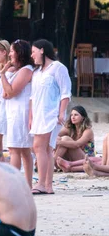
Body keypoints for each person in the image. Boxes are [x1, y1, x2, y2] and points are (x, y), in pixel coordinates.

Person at [30, 39, 71, 195]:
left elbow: (66, 92)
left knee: (39, 147)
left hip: (51, 113)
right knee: (46, 149)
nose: (32, 55)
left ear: (42, 50)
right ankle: (48, 185)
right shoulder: (37, 72)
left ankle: (40, 183)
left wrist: (61, 112)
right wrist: (31, 116)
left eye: (33, 51)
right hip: (39, 113)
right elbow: (32, 97)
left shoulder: (58, 68)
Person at [0, 40, 34, 187]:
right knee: (23, 149)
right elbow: (5, 93)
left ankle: (15, 184)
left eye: (12, 51)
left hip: (20, 112)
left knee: (16, 149)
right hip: (14, 110)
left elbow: (11, 91)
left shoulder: (26, 70)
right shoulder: (17, 70)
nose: (10, 54)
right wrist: (7, 73)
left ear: (19, 53)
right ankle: (26, 183)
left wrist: (2, 73)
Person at [54, 106, 95, 173]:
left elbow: (77, 144)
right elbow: (54, 136)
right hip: (72, 159)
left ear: (83, 117)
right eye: (71, 115)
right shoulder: (69, 129)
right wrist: (57, 139)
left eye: (76, 115)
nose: (73, 117)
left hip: (85, 159)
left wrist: (59, 142)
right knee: (59, 138)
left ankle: (52, 162)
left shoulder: (88, 131)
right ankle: (53, 162)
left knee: (65, 139)